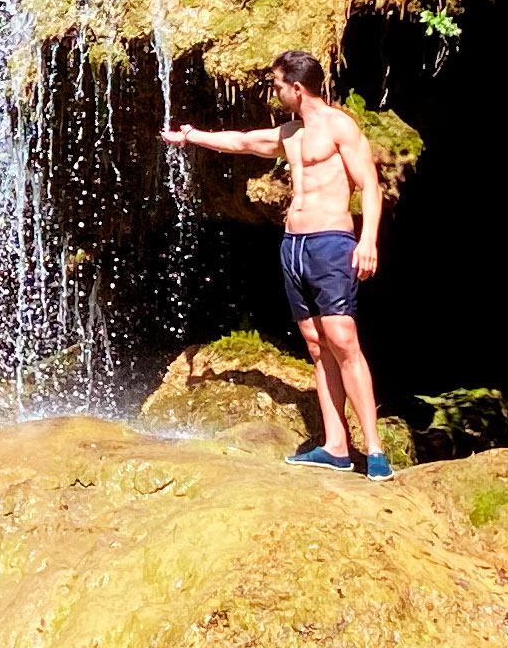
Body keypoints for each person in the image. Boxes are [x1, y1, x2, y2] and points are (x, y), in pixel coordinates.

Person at [163, 49, 390, 477]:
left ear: (297, 88)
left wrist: (368, 242)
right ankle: (336, 445)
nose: (275, 91)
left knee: (343, 339)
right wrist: (191, 136)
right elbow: (243, 142)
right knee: (316, 345)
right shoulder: (292, 133)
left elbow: (371, 186)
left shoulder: (339, 126)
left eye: (278, 85)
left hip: (330, 241)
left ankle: (375, 451)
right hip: (293, 245)